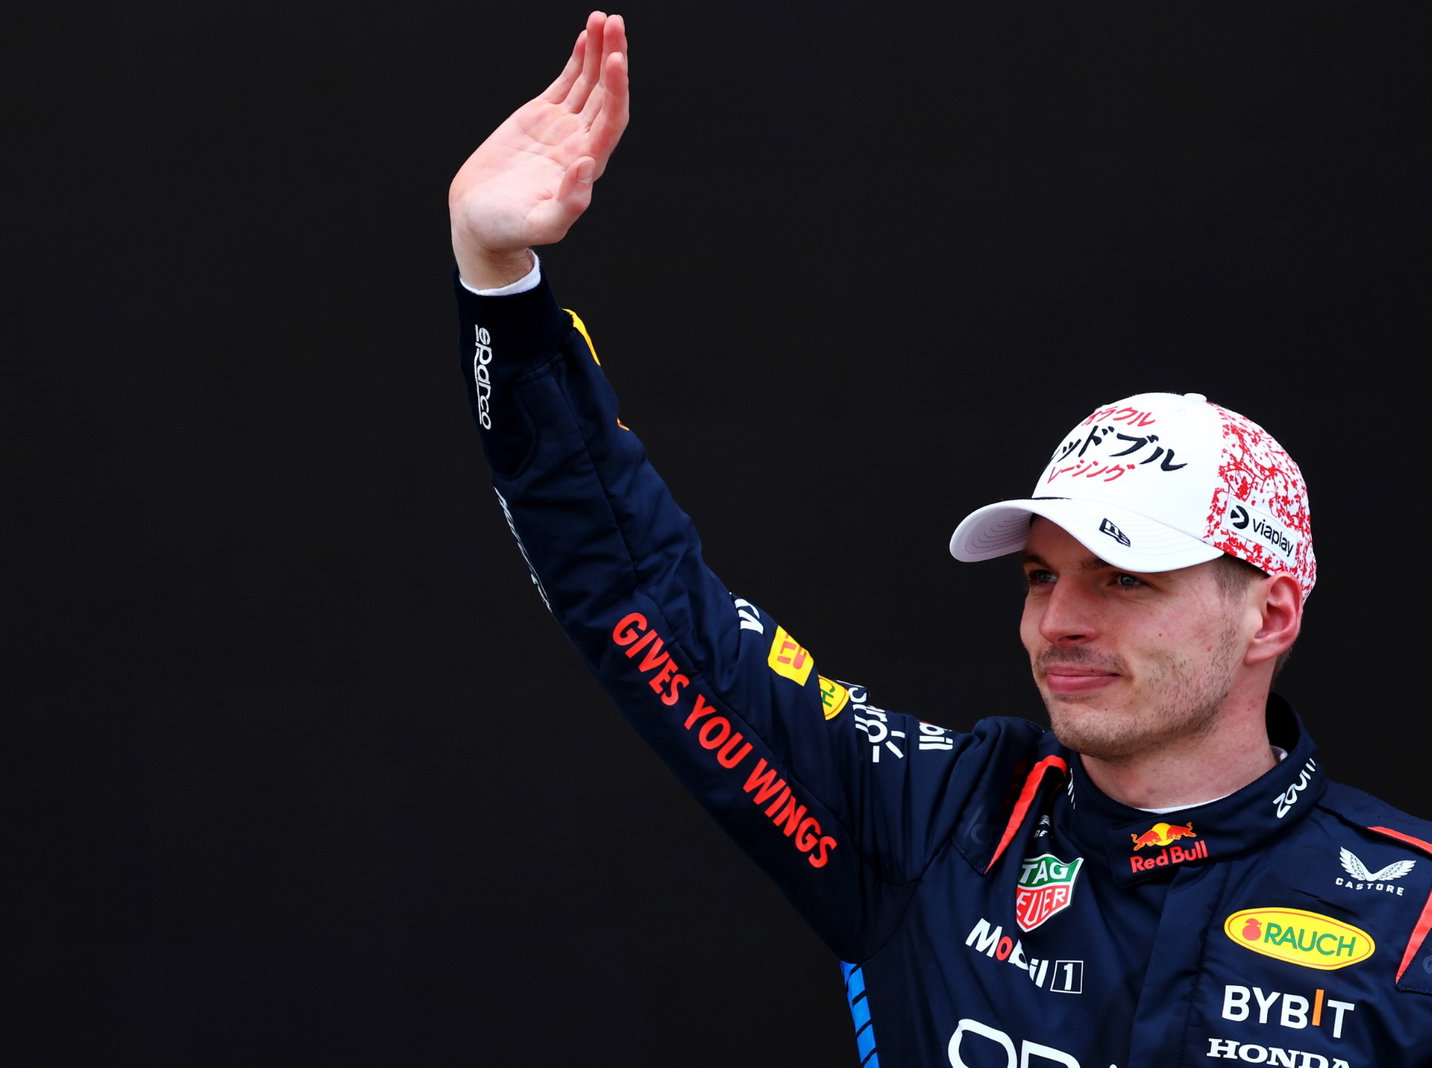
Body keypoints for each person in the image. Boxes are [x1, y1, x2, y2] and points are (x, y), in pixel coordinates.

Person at [449, 12, 1432, 1065]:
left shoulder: (1411, 919)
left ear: (1269, 612)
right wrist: (498, 280)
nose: (1057, 622)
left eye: (1122, 579)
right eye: (1038, 575)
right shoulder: (935, 822)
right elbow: (640, 596)